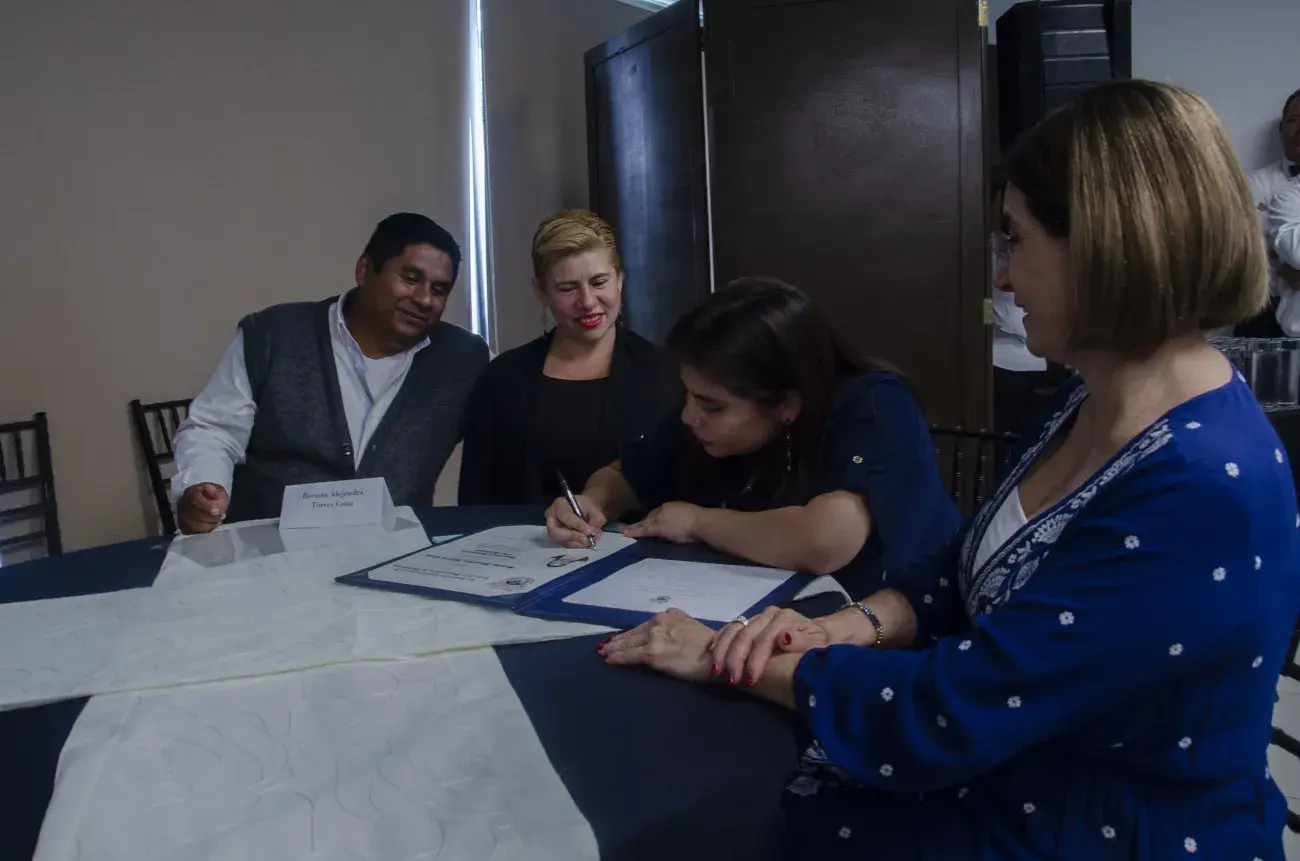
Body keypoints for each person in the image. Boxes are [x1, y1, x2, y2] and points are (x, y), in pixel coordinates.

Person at [598, 81, 1299, 859]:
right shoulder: (1090, 396)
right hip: (1022, 774)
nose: (1003, 278)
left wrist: (726, 658)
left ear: (1106, 248)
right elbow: (966, 569)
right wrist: (849, 624)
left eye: (1015, 240)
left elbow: (951, 711)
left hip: (1099, 828)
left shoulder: (1199, 485)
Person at [545, 277, 961, 602]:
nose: (689, 416)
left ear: (787, 404)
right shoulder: (704, 418)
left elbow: (824, 541)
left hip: (891, 633)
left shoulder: (875, 407)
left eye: (712, 406)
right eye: (688, 395)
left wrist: (698, 522)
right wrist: (593, 502)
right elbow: (628, 474)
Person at [172, 213, 489, 533]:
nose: (424, 299)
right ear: (364, 270)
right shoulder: (274, 335)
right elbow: (214, 430)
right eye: (410, 278)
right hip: (266, 549)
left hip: (394, 551)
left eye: (439, 290)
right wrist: (204, 487)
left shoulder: (462, 358)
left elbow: (516, 402)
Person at [457, 210, 677, 505]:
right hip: (523, 535)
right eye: (568, 288)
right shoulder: (502, 379)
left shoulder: (664, 372)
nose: (587, 301)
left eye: (599, 282)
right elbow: (474, 501)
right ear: (541, 291)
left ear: (620, 279)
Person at [1237, 88, 1300, 337]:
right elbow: (1237, 250)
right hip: (1260, 312)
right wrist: (1283, 272)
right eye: (1294, 120)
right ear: (1281, 130)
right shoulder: (1252, 186)